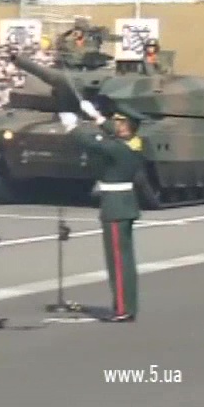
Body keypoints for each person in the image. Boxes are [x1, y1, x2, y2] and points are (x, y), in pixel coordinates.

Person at [59, 100, 145, 322]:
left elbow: (92, 143)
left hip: (115, 207)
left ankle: (122, 309)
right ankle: (127, 306)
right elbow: (110, 133)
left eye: (120, 123)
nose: (116, 125)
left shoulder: (118, 148)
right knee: (125, 261)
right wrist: (95, 116)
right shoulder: (132, 145)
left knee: (118, 262)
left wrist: (72, 127)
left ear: (126, 127)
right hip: (124, 205)